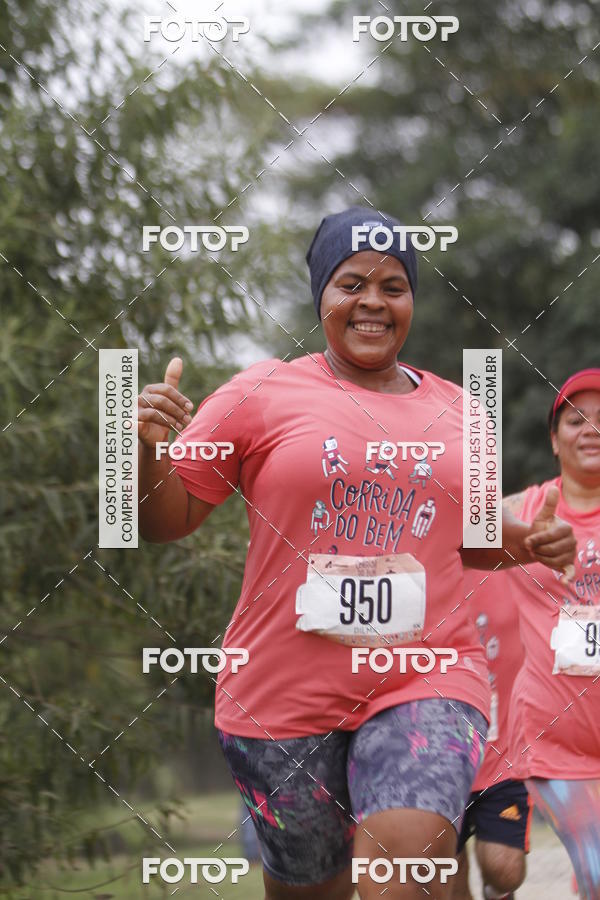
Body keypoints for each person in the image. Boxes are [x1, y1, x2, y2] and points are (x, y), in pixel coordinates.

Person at [137, 206, 576, 900]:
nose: (372, 300)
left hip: (425, 674)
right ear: (323, 297)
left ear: (411, 302)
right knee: (311, 889)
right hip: (279, 698)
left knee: (405, 864)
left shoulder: (465, 412)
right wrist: (142, 451)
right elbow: (168, 518)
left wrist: (531, 542)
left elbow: (473, 539)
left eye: (393, 284)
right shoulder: (261, 392)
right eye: (351, 283)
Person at [498, 369, 600, 900]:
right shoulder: (521, 511)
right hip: (557, 743)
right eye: (576, 419)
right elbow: (451, 530)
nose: (591, 429)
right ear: (554, 438)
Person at [450, 570, 530, 900]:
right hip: (435, 755)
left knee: (505, 869)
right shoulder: (419, 552)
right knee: (444, 875)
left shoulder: (511, 557)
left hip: (503, 753)